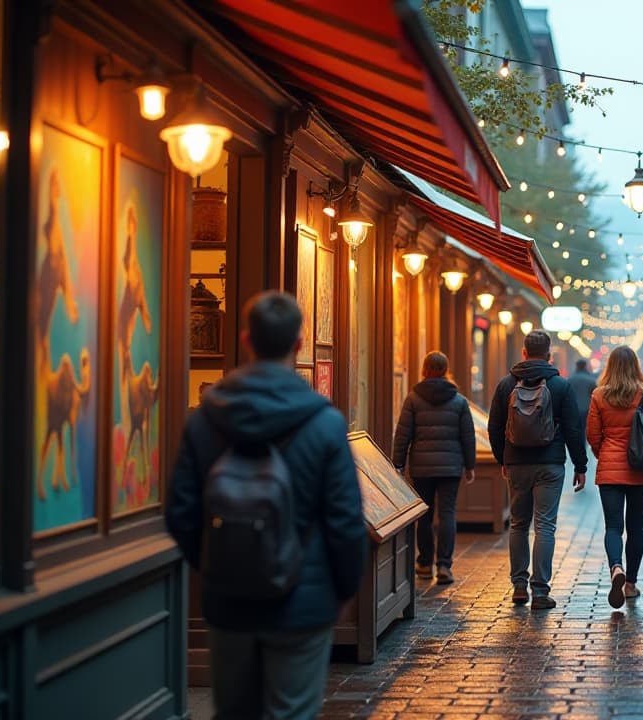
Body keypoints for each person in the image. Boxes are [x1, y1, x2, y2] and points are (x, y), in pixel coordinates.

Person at [166, 291, 364, 720]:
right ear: (297, 345)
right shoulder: (325, 423)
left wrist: (218, 564)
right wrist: (344, 588)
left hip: (228, 600)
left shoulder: (204, 419)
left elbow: (180, 511)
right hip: (303, 601)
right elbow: (346, 520)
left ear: (245, 341)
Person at [488, 330, 588, 610]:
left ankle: (519, 586)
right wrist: (581, 465)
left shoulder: (506, 384)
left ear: (523, 352)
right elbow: (572, 428)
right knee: (545, 525)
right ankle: (541, 591)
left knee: (519, 524)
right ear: (549, 354)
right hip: (550, 463)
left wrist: (503, 459)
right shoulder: (560, 386)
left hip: (517, 464)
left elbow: (494, 427)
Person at [586, 345, 643, 608]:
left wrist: (605, 455)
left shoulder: (598, 395)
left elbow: (593, 436)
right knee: (635, 528)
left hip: (610, 469)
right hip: (640, 469)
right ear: (635, 366)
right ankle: (630, 584)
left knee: (613, 527)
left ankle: (615, 568)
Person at [392, 351, 476, 585]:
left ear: (424, 369)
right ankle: (444, 566)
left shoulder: (413, 399)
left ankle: (424, 564)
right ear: (445, 369)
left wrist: (398, 463)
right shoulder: (459, 401)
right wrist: (470, 466)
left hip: (421, 467)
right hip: (450, 467)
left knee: (425, 516)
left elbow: (402, 435)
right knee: (447, 514)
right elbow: (467, 436)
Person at [568, 358, 598, 431]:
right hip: (587, 408)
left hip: (573, 408)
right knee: (585, 429)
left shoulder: (570, 380)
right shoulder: (591, 380)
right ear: (585, 366)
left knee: (576, 430)